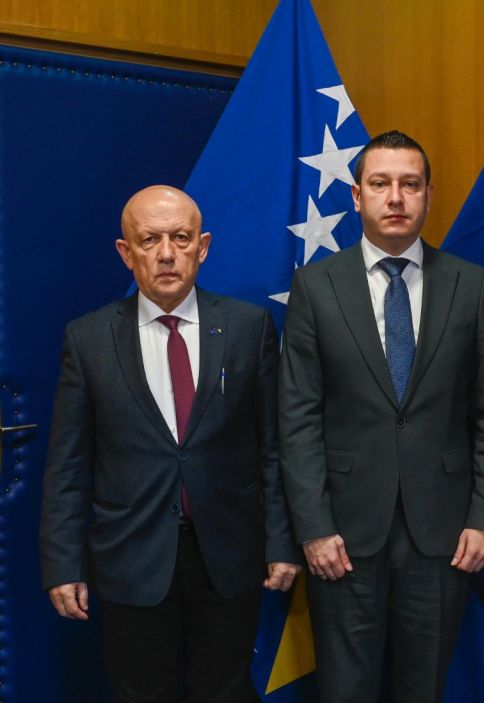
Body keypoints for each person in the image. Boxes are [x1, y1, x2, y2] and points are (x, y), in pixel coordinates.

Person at [39, 185, 301, 702]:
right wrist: (62, 564)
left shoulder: (248, 328)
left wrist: (281, 542)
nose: (166, 254)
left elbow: (273, 449)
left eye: (181, 238)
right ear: (126, 252)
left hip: (229, 556)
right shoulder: (88, 339)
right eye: (150, 240)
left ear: (202, 247)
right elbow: (68, 465)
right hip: (131, 556)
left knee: (226, 692)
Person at [278, 130, 484, 703]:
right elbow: (298, 418)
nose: (395, 197)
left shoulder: (470, 284)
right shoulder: (315, 286)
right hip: (342, 535)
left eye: (410, 184)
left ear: (429, 195)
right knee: (345, 691)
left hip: (444, 533)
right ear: (356, 196)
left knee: (423, 689)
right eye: (380, 183)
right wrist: (313, 526)